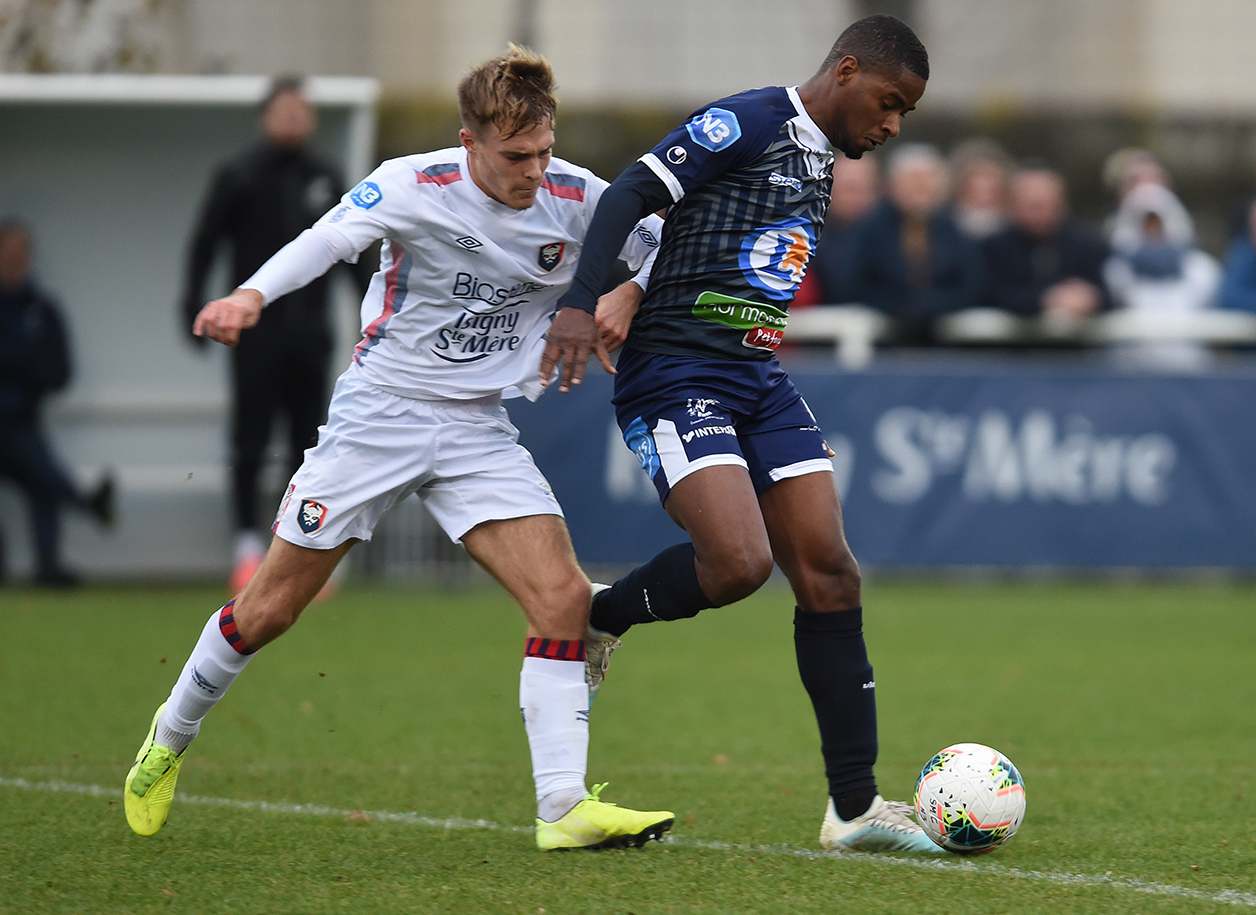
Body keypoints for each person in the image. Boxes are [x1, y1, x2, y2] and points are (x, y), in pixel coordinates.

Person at [125, 47, 673, 852]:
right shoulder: (414, 183)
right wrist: (249, 295)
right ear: (469, 142)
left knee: (560, 597)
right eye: (516, 156)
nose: (534, 170)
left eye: (544, 151)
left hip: (476, 425)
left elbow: (664, 243)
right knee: (271, 608)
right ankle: (168, 737)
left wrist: (625, 289)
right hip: (379, 415)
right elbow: (323, 241)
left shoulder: (576, 194)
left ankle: (560, 807)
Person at [540, 15, 942, 853]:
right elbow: (631, 195)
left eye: (904, 112)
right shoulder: (749, 120)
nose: (894, 125)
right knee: (738, 564)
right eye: (889, 102)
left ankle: (855, 809)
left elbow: (708, 240)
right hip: (676, 375)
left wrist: (640, 284)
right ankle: (600, 616)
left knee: (830, 571)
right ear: (848, 70)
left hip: (756, 377)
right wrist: (587, 298)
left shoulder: (826, 157)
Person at [181, 76, 369, 595]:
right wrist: (191, 308)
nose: (293, 120)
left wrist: (369, 313)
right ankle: (245, 549)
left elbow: (353, 251)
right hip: (256, 335)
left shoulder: (325, 177)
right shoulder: (239, 174)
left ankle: (296, 553)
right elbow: (205, 243)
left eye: (301, 111)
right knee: (250, 438)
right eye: (284, 110)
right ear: (267, 116)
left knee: (307, 443)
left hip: (311, 333)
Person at [0, 219, 114, 586]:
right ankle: (85, 502)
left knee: (40, 480)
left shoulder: (41, 310)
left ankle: (48, 566)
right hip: (13, 422)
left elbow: (58, 371)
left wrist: (15, 368)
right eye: (7, 252)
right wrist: (22, 364)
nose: (14, 260)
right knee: (41, 473)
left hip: (21, 418)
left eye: (21, 253)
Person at [843, 141, 985, 342]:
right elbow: (854, 283)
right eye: (912, 179)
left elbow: (972, 284)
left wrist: (932, 306)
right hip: (883, 338)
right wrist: (901, 306)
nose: (920, 186)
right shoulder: (871, 229)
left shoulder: (954, 230)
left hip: (944, 341)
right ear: (892, 185)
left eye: (928, 179)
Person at [1103, 182, 1221, 369]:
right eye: (1146, 223)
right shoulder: (1116, 271)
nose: (1152, 230)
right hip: (1133, 369)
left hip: (1189, 370)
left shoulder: (1202, 269)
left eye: (1157, 222)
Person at [979, 163, 1111, 319]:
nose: (1045, 214)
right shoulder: (994, 248)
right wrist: (1046, 299)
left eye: (1052, 205)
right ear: (1014, 205)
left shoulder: (1087, 244)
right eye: (1036, 207)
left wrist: (1090, 298)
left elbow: (1109, 292)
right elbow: (989, 294)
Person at [798, 152, 879, 306]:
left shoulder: (893, 232)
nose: (850, 196)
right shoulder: (805, 229)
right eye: (844, 187)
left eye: (857, 187)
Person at [949, 136, 1014, 242]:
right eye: (979, 176)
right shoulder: (947, 226)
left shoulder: (1015, 226)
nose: (986, 184)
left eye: (991, 176)